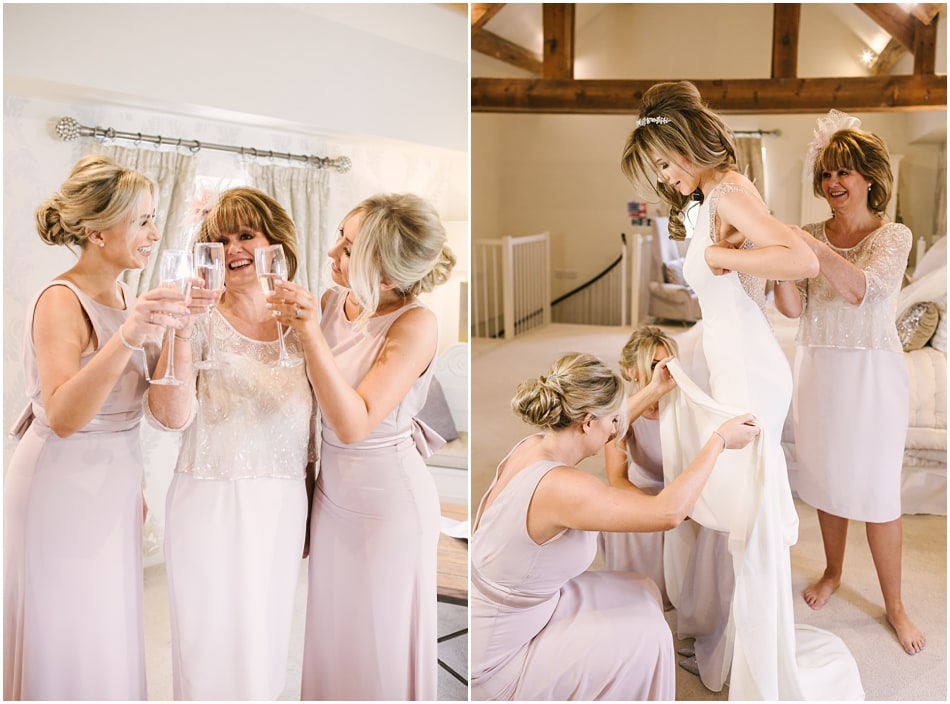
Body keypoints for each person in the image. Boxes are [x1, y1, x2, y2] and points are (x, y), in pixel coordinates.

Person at [621, 81, 864, 701]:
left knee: (750, 518)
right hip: (731, 357)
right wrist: (727, 252)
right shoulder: (715, 196)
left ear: (683, 144)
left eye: (665, 162)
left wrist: (729, 260)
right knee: (737, 516)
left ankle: (767, 669)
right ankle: (744, 639)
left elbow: (802, 262)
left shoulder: (727, 187)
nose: (665, 177)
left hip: (751, 367)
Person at [3, 154, 189, 700]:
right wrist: (129, 335)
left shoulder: (130, 295)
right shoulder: (61, 300)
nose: (154, 233)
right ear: (96, 231)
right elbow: (61, 415)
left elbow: (158, 406)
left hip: (113, 478)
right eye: (142, 221)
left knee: (106, 623)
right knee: (64, 627)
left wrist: (182, 327)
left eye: (154, 219)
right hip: (60, 483)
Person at [471, 351, 760, 701]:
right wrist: (719, 441)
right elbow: (666, 513)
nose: (617, 429)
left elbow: (613, 423)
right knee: (650, 634)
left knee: (642, 588)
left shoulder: (533, 446)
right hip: (500, 655)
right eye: (611, 421)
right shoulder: (564, 488)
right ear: (587, 421)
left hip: (516, 604)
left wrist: (655, 390)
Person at [272, 193, 455, 700]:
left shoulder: (415, 324)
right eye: (339, 236)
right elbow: (307, 410)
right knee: (334, 639)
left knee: (379, 646)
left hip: (387, 506)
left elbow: (352, 423)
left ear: (389, 276)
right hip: (333, 499)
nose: (332, 254)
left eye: (349, 250)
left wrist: (309, 334)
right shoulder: (333, 302)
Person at [145, 187, 315, 699]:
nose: (233, 247)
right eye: (219, 240)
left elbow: (315, 429)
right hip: (209, 499)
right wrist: (182, 327)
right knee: (207, 645)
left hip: (282, 502)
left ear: (275, 242)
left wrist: (312, 502)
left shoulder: (303, 317)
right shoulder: (195, 318)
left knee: (263, 644)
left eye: (246, 234)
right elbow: (170, 419)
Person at [773, 110, 925, 655]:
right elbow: (794, 308)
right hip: (818, 367)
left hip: (871, 375)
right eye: (824, 175)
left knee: (880, 494)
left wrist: (807, 249)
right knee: (827, 481)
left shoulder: (894, 235)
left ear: (868, 178)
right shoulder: (811, 235)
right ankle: (833, 571)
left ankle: (897, 606)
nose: (832, 184)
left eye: (842, 173)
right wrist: (780, 269)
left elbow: (866, 291)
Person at [600, 326, 680, 605]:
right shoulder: (622, 412)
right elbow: (617, 479)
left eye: (670, 363)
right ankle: (638, 594)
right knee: (619, 512)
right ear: (632, 371)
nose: (666, 371)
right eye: (655, 364)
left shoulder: (685, 405)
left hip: (681, 486)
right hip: (642, 485)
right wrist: (653, 506)